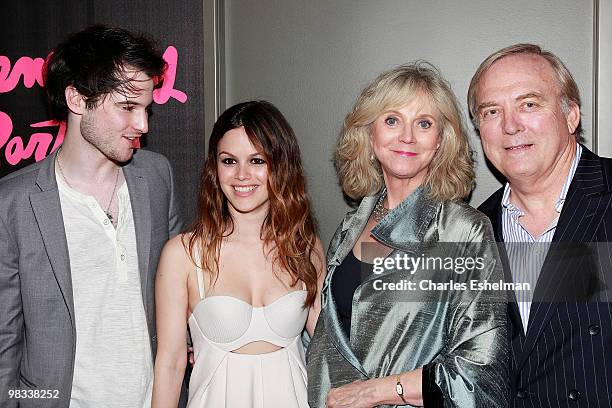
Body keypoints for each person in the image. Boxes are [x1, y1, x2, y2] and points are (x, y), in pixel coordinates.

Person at [307, 62, 509, 408]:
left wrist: (374, 392)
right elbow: (334, 335)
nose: (407, 136)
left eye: (424, 124)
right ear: (370, 135)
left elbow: (481, 372)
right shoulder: (351, 225)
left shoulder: (464, 231)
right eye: (391, 120)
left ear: (441, 140)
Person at [0, 25, 183, 407]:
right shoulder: (13, 203)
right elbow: (4, 343)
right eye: (127, 107)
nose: (143, 126)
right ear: (77, 99)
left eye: (146, 109)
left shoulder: (156, 177)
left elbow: (178, 297)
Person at [152, 100, 325, 407]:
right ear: (214, 168)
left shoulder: (305, 247)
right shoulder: (183, 255)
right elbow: (171, 364)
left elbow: (328, 349)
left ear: (281, 166)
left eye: (257, 161)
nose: (242, 175)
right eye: (229, 161)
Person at [469, 43, 612, 407]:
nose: (510, 125)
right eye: (491, 111)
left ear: (571, 115)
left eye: (528, 104)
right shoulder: (472, 231)